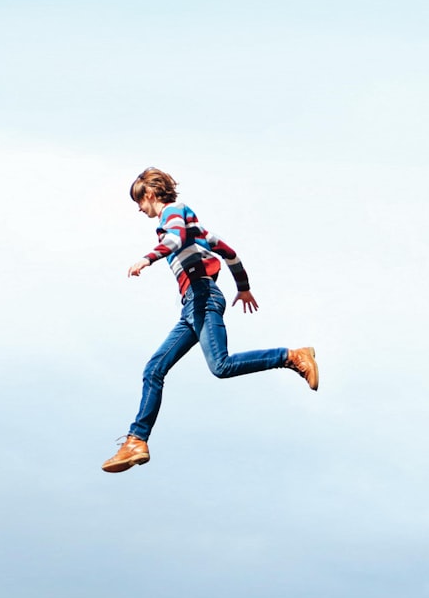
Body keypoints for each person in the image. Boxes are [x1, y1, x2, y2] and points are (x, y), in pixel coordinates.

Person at [102, 167, 319, 473]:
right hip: (194, 305)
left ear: (149, 195)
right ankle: (137, 441)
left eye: (140, 201)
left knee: (221, 366)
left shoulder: (173, 214)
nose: (140, 209)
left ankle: (291, 357)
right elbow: (229, 253)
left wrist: (147, 259)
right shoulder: (195, 227)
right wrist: (243, 288)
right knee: (154, 369)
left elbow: (174, 240)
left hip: (202, 298)